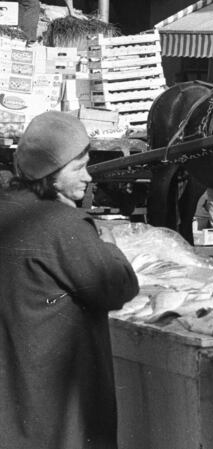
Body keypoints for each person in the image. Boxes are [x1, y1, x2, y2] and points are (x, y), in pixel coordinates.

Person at [0, 111, 139, 448]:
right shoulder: (60, 225)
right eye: (78, 167)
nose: (89, 176)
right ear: (50, 172)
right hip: (55, 411)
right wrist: (105, 238)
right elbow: (119, 285)